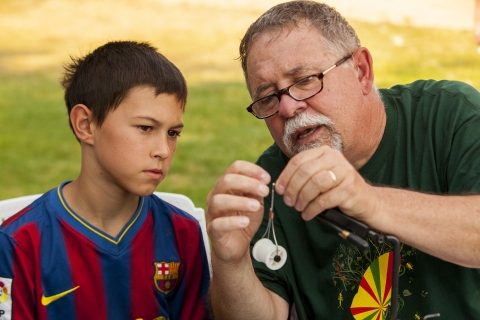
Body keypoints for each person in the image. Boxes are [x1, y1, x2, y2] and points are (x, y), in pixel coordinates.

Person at [206, 1, 480, 319]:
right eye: (267, 97)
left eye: (305, 80)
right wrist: (230, 263)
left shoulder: (447, 115)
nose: (287, 108)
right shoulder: (269, 182)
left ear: (362, 71)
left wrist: (371, 201)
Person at [0, 41, 211, 320]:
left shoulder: (183, 233)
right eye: (145, 128)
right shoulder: (20, 243)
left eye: (173, 133)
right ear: (86, 125)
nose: (163, 150)